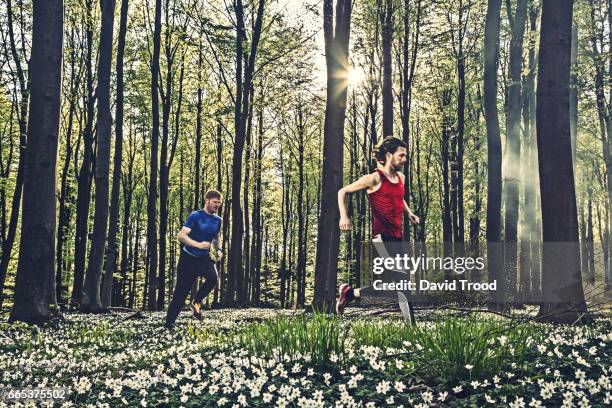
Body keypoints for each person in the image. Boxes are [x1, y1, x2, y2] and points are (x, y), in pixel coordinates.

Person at [335, 136, 420, 316]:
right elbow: (343, 192)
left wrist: (409, 213)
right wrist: (344, 216)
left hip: (397, 236)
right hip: (381, 237)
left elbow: (399, 197)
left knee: (399, 284)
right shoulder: (374, 178)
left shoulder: (401, 178)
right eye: (401, 155)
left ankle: (351, 293)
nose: (405, 160)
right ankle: (412, 329)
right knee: (402, 283)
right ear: (389, 155)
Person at [165, 190, 223, 329]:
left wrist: (219, 249)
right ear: (207, 200)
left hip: (204, 259)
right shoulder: (196, 215)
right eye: (215, 202)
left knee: (213, 278)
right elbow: (181, 236)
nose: (217, 205)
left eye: (219, 203)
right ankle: (169, 324)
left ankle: (196, 303)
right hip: (188, 259)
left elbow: (216, 237)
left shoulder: (218, 220)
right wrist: (199, 245)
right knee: (180, 295)